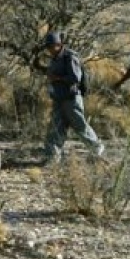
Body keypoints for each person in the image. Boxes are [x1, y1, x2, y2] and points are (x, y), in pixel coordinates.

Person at [43, 32, 104, 162]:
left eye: (51, 46)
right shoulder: (54, 58)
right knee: (56, 127)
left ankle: (96, 147)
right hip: (59, 99)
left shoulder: (70, 57)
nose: (49, 49)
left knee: (79, 125)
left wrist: (57, 78)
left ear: (58, 45)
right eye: (48, 47)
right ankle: (52, 157)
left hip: (71, 99)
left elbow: (75, 78)